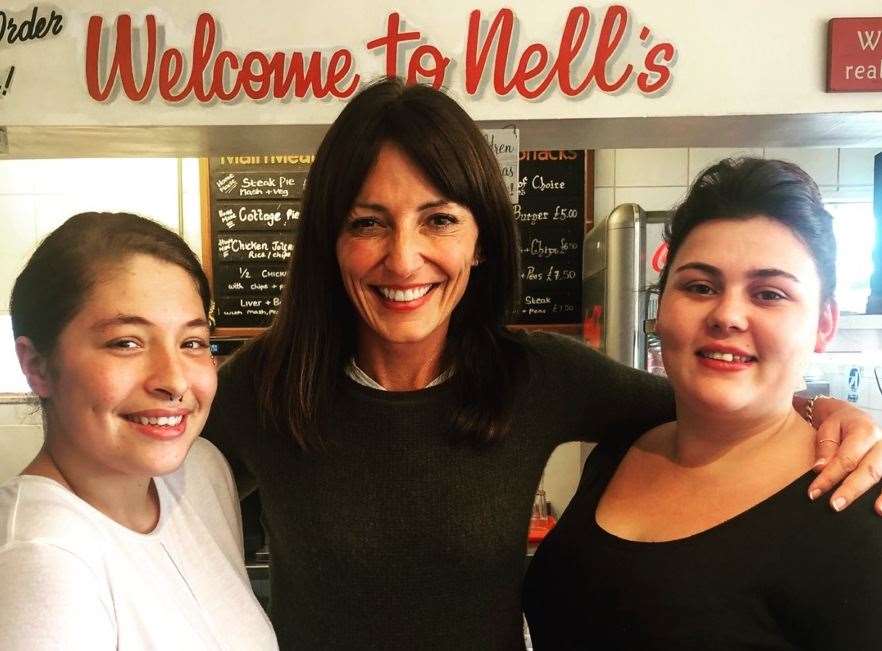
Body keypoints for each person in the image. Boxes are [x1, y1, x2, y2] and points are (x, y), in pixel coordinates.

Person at [205, 78, 882, 650]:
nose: (404, 259)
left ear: (480, 240)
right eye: (367, 223)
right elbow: (139, 489)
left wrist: (832, 411)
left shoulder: (537, 376)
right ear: (329, 240)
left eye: (439, 220)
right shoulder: (261, 386)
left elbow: (712, 395)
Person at [523, 157, 882, 649]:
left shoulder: (858, 514)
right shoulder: (623, 446)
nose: (728, 314)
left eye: (770, 294)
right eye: (700, 287)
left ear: (824, 324)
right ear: (662, 305)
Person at [0, 213, 278, 650]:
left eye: (192, 343)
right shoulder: (42, 560)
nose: (175, 380)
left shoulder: (202, 473)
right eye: (126, 342)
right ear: (37, 366)